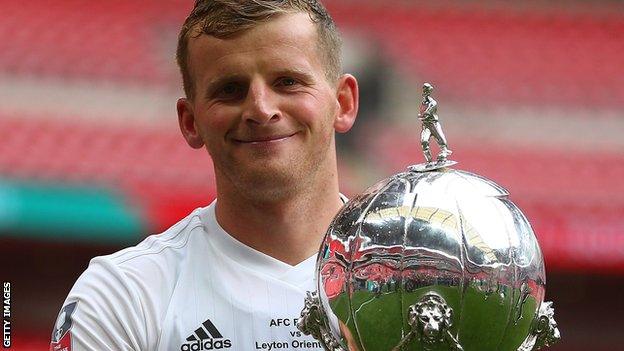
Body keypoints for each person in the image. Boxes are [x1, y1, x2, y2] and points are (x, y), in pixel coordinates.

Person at [49, 1, 358, 350]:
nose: (261, 108)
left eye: (287, 82)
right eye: (230, 89)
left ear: (343, 103)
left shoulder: (421, 279)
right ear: (190, 122)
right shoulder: (121, 296)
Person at [418, 83, 452, 163]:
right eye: (424, 91)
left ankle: (444, 153)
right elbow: (422, 115)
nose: (424, 93)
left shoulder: (432, 103)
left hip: (433, 124)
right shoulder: (423, 103)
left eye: (426, 91)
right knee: (424, 142)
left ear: (429, 92)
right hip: (425, 125)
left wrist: (422, 116)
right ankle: (429, 161)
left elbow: (427, 113)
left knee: (441, 140)